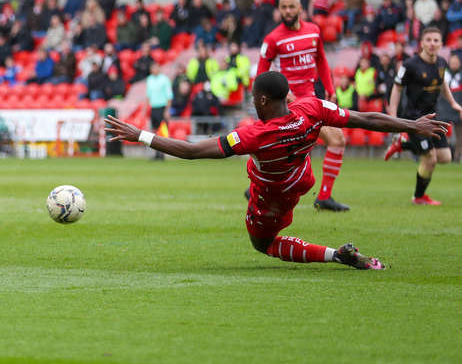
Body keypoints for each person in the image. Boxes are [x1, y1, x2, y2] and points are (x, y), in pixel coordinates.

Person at [106, 71, 448, 269]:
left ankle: (337, 256)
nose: (253, 102)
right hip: (302, 175)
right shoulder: (311, 107)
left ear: (264, 101)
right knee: (274, 167)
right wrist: (411, 125)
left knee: (263, 244)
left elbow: (194, 152)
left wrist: (142, 135)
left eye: (255, 98)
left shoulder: (257, 134)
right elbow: (366, 118)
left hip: (274, 193)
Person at [257, 0, 348, 212]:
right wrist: (281, 94)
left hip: (311, 99)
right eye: (283, 7)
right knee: (324, 143)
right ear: (279, 10)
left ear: (300, 9)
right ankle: (319, 196)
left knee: (333, 142)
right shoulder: (273, 39)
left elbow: (321, 60)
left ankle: (321, 196)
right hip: (287, 104)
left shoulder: (314, 31)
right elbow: (261, 76)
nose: (287, 11)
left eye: (291, 7)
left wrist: (330, 88)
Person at [383, 27, 462, 205]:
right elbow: (397, 87)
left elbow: (443, 84)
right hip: (414, 119)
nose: (432, 44)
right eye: (428, 40)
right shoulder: (409, 65)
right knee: (430, 159)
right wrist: (393, 115)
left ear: (441, 44)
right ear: (422, 43)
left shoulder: (442, 62)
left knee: (445, 158)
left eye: (436, 40)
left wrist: (453, 103)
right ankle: (418, 197)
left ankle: (403, 144)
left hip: (433, 117)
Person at [145, 62, 173, 160]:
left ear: (159, 69)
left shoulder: (165, 79)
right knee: (154, 132)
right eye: (153, 68)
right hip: (154, 108)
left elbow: (169, 96)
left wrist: (167, 110)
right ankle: (157, 153)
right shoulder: (149, 80)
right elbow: (148, 96)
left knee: (162, 132)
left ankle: (162, 154)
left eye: (156, 68)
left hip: (162, 107)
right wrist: (146, 109)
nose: (154, 70)